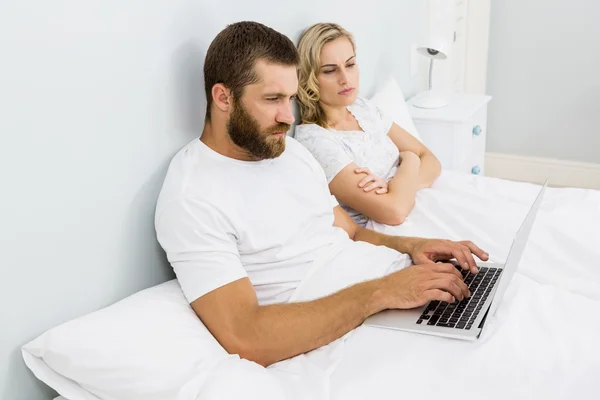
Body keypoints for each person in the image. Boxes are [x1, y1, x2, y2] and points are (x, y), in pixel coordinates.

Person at [155, 21, 488, 369]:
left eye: (290, 99)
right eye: (272, 99)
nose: (287, 117)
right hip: (353, 327)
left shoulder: (291, 153)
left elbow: (352, 231)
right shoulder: (191, 197)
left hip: (392, 291)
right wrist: (384, 291)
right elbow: (246, 336)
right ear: (223, 97)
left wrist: (415, 247)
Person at [295, 23, 442, 226]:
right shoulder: (316, 141)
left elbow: (432, 161)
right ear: (309, 78)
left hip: (418, 205)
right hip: (387, 231)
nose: (345, 79)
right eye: (330, 71)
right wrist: (409, 158)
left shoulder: (363, 108)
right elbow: (394, 212)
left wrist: (398, 188)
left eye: (350, 64)